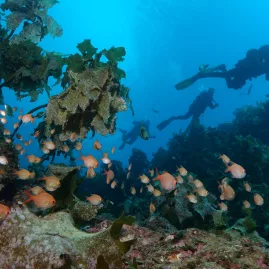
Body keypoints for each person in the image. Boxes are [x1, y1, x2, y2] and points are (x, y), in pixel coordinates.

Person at [175, 45, 269, 90]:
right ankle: (201, 75)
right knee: (223, 75)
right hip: (244, 69)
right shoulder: (266, 53)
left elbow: (267, 76)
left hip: (247, 73)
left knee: (232, 85)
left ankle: (221, 67)